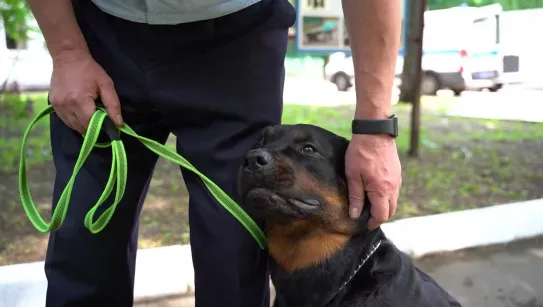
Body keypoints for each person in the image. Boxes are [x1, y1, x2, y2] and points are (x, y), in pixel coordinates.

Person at [26, 0, 402, 306]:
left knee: (233, 259)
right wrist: (68, 52)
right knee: (84, 250)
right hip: (99, 33)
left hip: (237, 40)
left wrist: (375, 128)